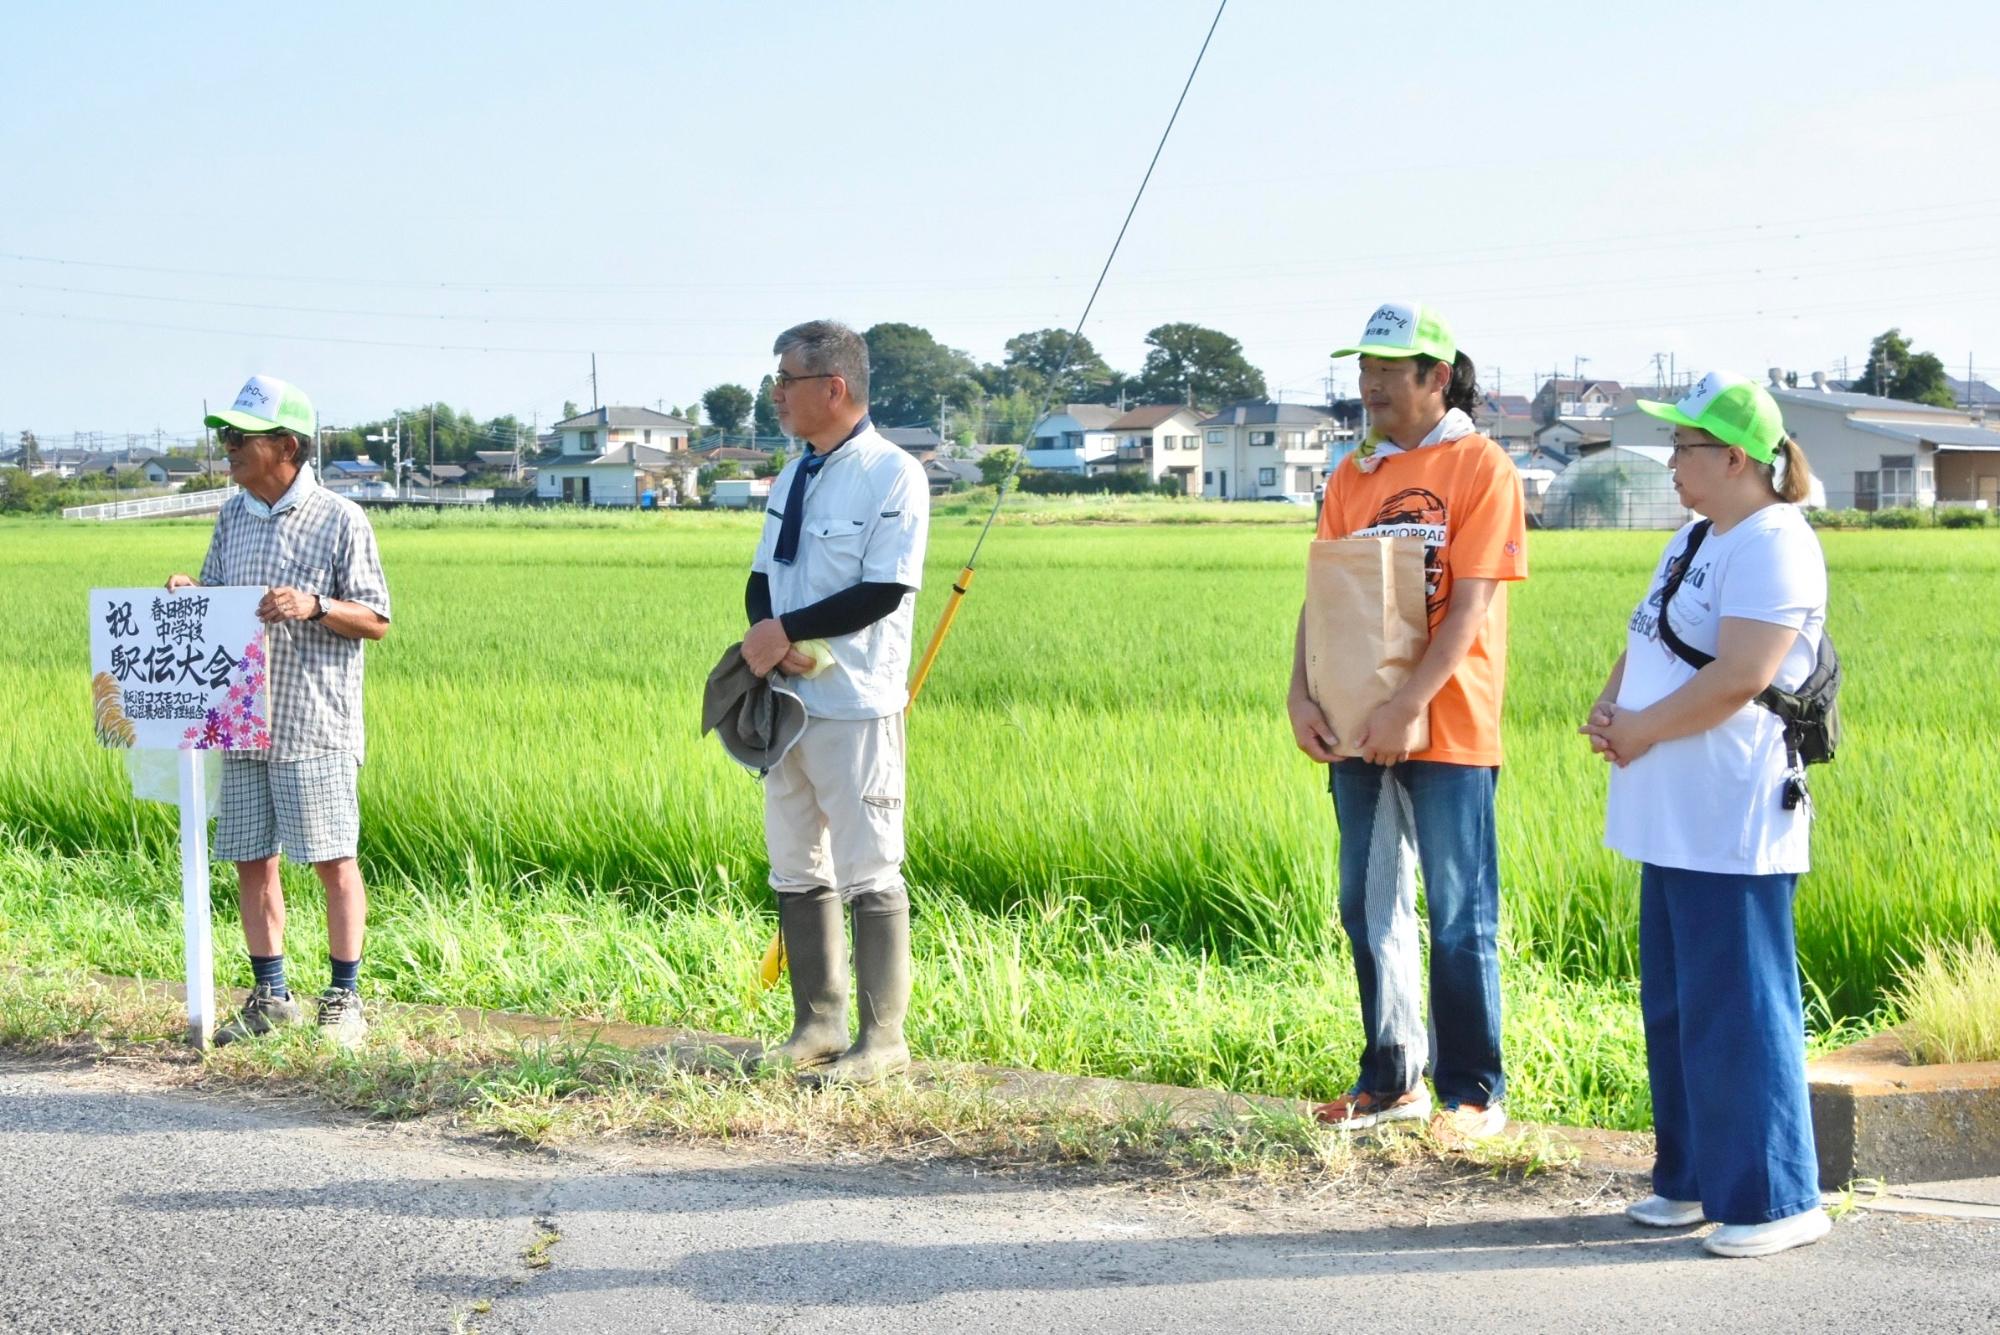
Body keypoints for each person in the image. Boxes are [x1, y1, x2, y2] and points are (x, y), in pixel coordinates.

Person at [1580, 371, 1832, 1258]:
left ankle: (1777, 1197)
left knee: (1739, 1004)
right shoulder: (1695, 536)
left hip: (1731, 813)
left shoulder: (1774, 540)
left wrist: (1644, 726)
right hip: (1670, 811)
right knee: (1680, 1004)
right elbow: (1644, 634)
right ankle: (1690, 1179)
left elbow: (1742, 674)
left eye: (1685, 448)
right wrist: (1613, 710)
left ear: (1735, 457)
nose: (1673, 462)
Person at [1286, 302, 1527, 1137]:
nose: (1371, 384)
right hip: (1356, 719)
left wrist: (1408, 704)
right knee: (1368, 899)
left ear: (1437, 376)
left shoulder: (1480, 467)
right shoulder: (1352, 474)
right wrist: (1300, 694)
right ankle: (1392, 1080)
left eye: (1390, 370)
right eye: (1364, 368)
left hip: (1448, 722)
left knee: (1461, 910)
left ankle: (1474, 1091)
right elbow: (1322, 593)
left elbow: (1469, 607)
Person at [165, 375, 391, 1048]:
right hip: (240, 721)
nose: (227, 447)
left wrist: (313, 603)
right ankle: (270, 994)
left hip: (312, 722)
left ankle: (343, 998)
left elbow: (376, 618)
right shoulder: (233, 514)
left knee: (332, 859)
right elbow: (219, 600)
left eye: (241, 437)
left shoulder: (340, 518)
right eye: (226, 435)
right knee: (250, 858)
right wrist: (191, 592)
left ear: (286, 446)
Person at [744, 320, 930, 1085]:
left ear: (834, 387)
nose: (777, 393)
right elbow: (764, 570)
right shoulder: (795, 473)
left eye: (786, 380)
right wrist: (767, 633)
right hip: (787, 699)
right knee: (795, 863)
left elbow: (883, 590)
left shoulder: (893, 473)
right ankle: (816, 1025)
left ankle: (882, 1039)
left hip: (855, 700)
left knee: (869, 866)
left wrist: (789, 628)